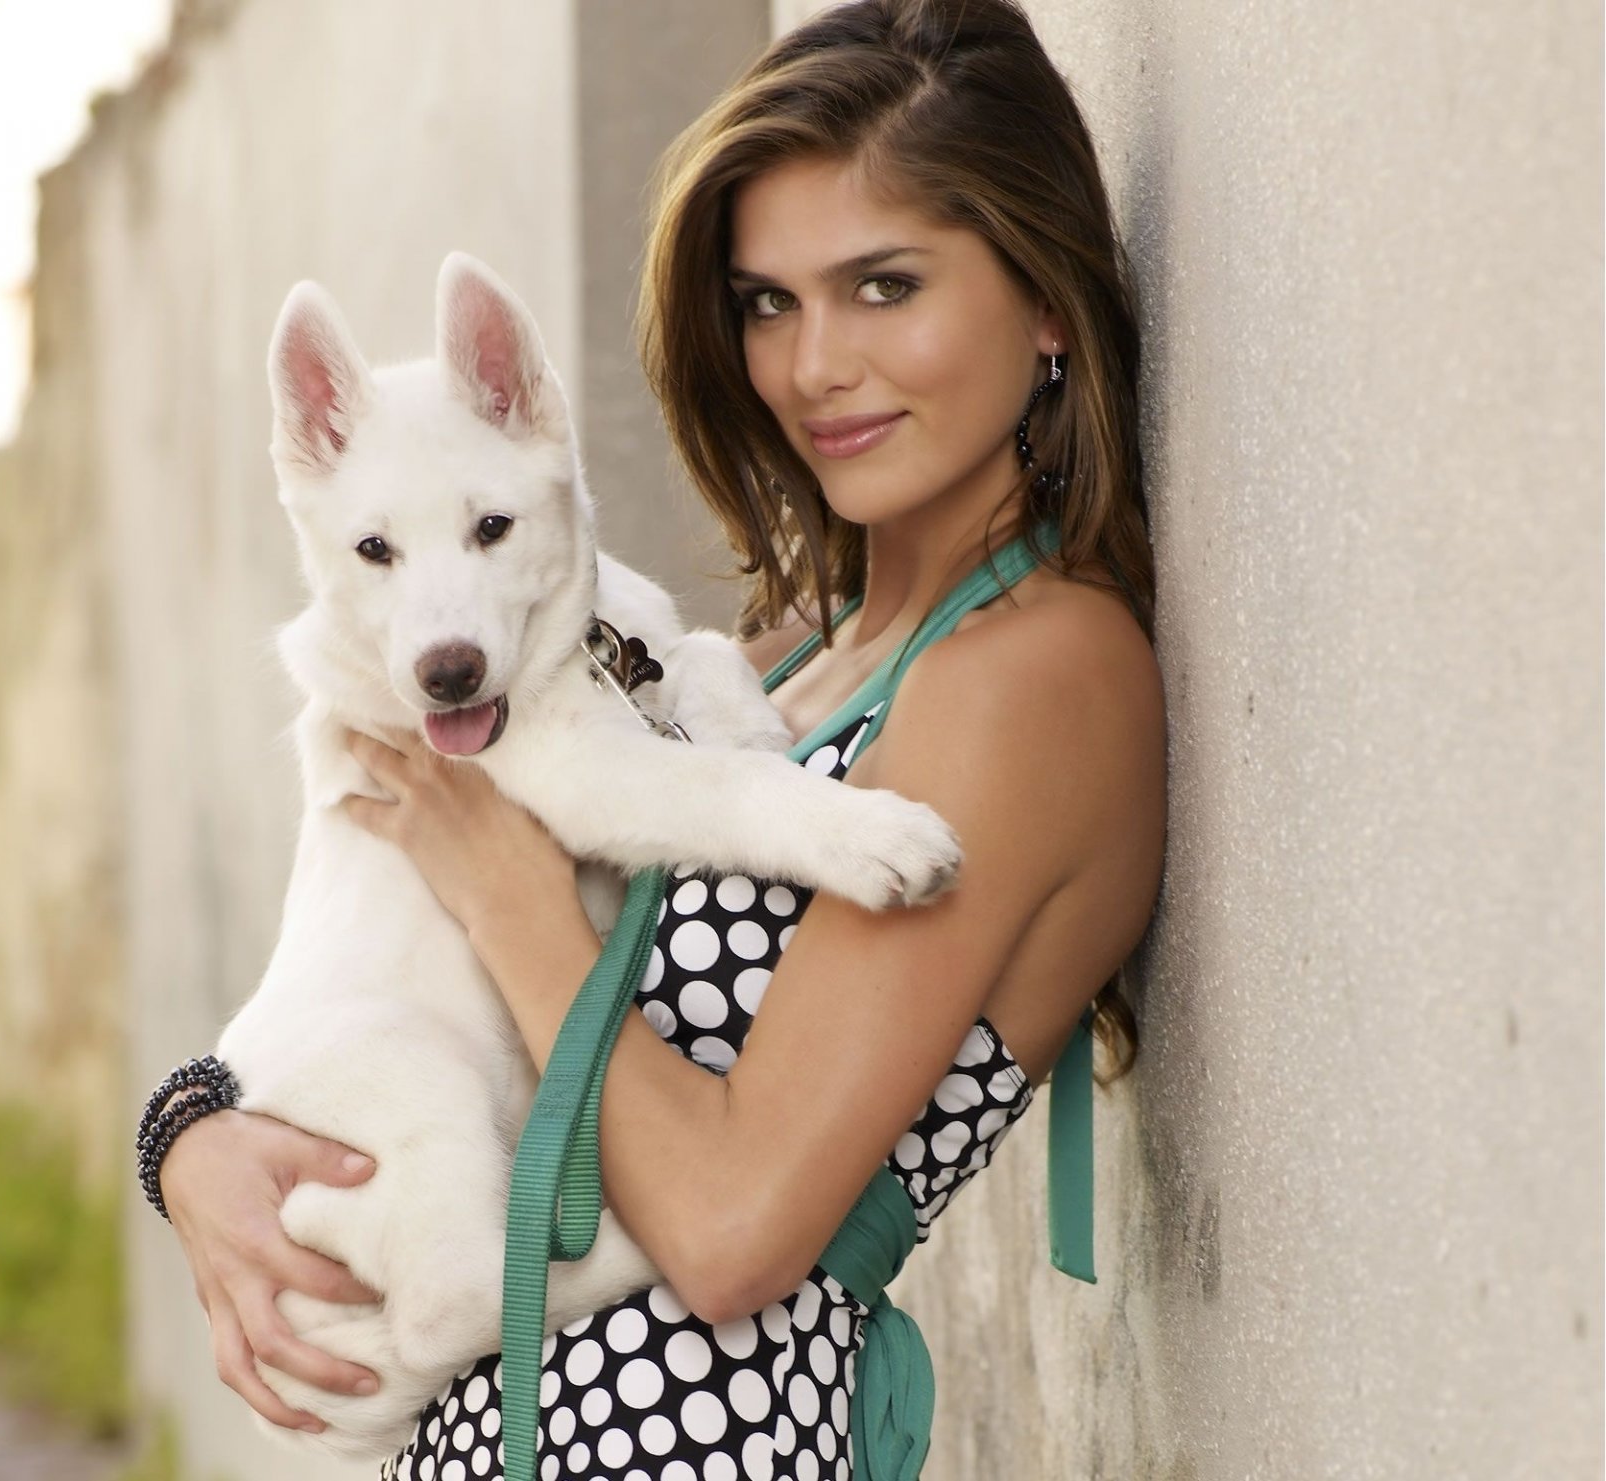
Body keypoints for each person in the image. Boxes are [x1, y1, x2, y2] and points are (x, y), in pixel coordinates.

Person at [152, 0, 1166, 1475]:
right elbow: (365, 949)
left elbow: (736, 1226)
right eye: (769, 301)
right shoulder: (796, 654)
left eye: (886, 285)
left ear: (1045, 302)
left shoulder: (1036, 673)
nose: (817, 363)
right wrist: (188, 1139)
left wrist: (505, 890)